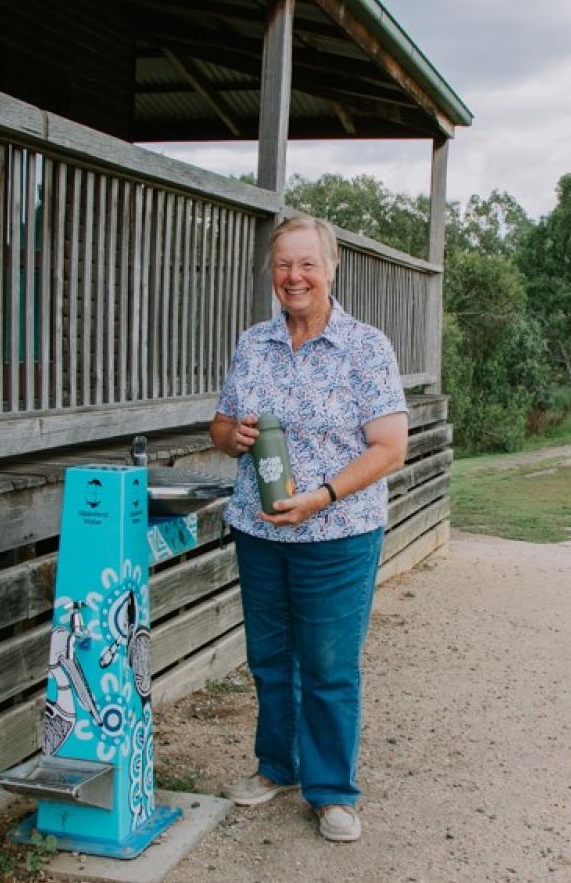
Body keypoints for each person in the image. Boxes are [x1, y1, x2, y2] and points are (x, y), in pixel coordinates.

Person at [209, 214, 409, 843]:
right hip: (260, 528)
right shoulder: (253, 343)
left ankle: (332, 791)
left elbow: (390, 447)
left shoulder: (366, 347)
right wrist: (232, 436)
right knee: (270, 658)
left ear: (331, 268)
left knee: (327, 664)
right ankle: (278, 766)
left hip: (338, 532)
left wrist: (322, 496)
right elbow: (218, 427)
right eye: (283, 265)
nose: (293, 277)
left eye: (306, 264)